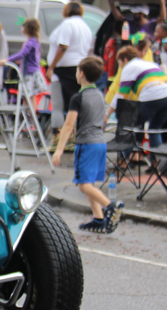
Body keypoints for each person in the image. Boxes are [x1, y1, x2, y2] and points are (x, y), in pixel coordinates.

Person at [52, 56, 123, 234]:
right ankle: (98, 218)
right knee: (89, 183)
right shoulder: (100, 95)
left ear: (81, 74)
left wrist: (59, 149)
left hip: (86, 144)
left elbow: (69, 125)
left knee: (83, 185)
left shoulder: (78, 98)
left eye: (77, 70)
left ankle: (110, 206)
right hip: (100, 143)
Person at [108, 45, 167, 150]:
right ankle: (157, 163)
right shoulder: (151, 64)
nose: (120, 67)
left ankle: (124, 161)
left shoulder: (129, 66)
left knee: (130, 127)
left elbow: (121, 94)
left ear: (124, 59)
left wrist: (107, 114)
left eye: (120, 64)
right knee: (155, 129)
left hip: (153, 95)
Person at [46, 2, 92, 126]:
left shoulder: (67, 24)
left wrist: (51, 67)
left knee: (57, 106)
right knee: (76, 105)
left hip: (63, 69)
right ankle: (77, 133)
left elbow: (63, 46)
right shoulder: (86, 26)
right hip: (79, 67)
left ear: (66, 11)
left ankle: (58, 135)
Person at [0, 17, 45, 98]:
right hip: (33, 72)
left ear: (27, 29)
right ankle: (30, 110)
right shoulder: (35, 41)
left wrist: (7, 60)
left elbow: (21, 54)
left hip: (29, 74)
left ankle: (29, 110)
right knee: (30, 96)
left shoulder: (30, 43)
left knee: (27, 96)